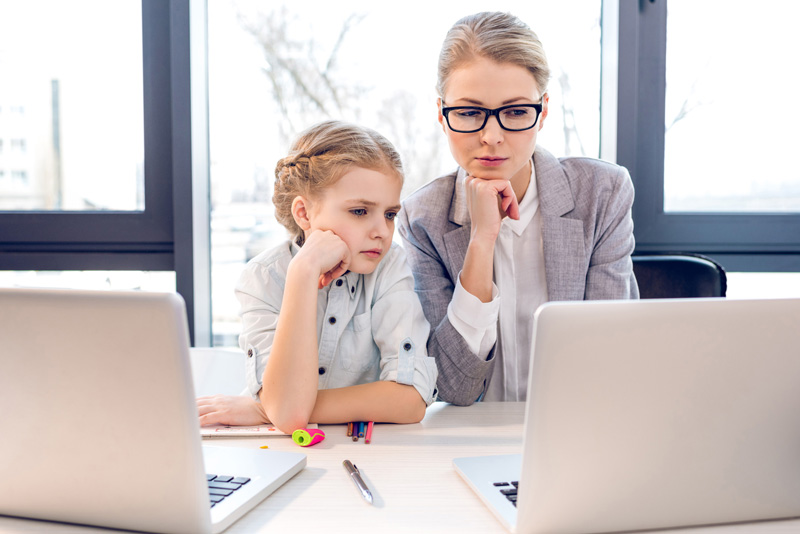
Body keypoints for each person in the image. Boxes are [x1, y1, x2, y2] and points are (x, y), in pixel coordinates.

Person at [398, 12, 638, 407]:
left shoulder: (602, 193)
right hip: (469, 441)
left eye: (514, 112)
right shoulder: (421, 218)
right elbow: (454, 388)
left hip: (575, 430)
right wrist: (481, 241)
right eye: (470, 113)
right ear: (442, 114)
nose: (491, 137)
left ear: (542, 111)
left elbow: (609, 360)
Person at [197, 120, 438, 433]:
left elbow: (411, 400)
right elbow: (287, 415)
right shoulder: (263, 279)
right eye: (360, 212)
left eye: (389, 214)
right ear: (304, 214)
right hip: (275, 452)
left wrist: (265, 409)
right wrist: (304, 272)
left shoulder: (389, 267)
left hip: (373, 455)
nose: (382, 231)